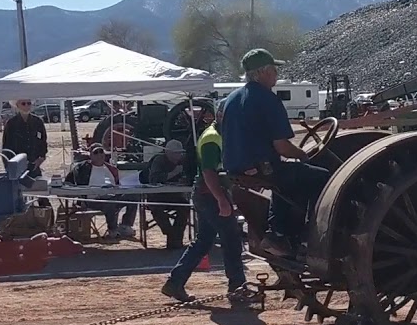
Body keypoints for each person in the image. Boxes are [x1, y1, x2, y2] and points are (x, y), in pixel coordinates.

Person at [221, 49, 331, 258]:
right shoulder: (267, 99)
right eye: (273, 70)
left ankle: (282, 235)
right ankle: (313, 235)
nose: (276, 75)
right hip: (263, 167)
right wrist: (302, 155)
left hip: (237, 169)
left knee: (293, 180)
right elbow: (282, 146)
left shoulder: (232, 99)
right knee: (322, 176)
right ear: (262, 72)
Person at [161, 100, 251, 303]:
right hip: (209, 194)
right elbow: (209, 172)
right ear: (221, 116)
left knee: (203, 241)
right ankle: (237, 287)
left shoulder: (222, 135)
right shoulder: (212, 138)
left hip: (207, 194)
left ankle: (175, 283)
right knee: (232, 239)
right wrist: (222, 200)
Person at [139, 138, 195, 248]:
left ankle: (177, 238)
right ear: (168, 152)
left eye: (180, 153)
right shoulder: (159, 160)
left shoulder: (182, 161)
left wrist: (184, 180)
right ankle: (171, 234)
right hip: (156, 196)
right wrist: (173, 173)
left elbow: (188, 176)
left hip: (173, 195)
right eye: (176, 153)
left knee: (184, 206)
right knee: (157, 208)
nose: (178, 156)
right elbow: (154, 179)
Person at [68, 144, 130, 237]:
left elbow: (119, 184)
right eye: (96, 152)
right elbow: (68, 182)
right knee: (109, 203)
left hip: (113, 197)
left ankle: (126, 225)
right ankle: (112, 230)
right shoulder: (81, 168)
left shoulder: (111, 169)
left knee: (134, 196)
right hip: (92, 200)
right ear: (90, 155)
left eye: (101, 152)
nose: (99, 155)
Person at [1, 99, 49, 176]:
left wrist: (41, 158)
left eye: (29, 103)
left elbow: (43, 142)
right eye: (23, 104)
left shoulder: (38, 122)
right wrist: (9, 167)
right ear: (17, 106)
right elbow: (6, 147)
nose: (26, 106)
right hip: (17, 166)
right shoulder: (11, 124)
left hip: (34, 166)